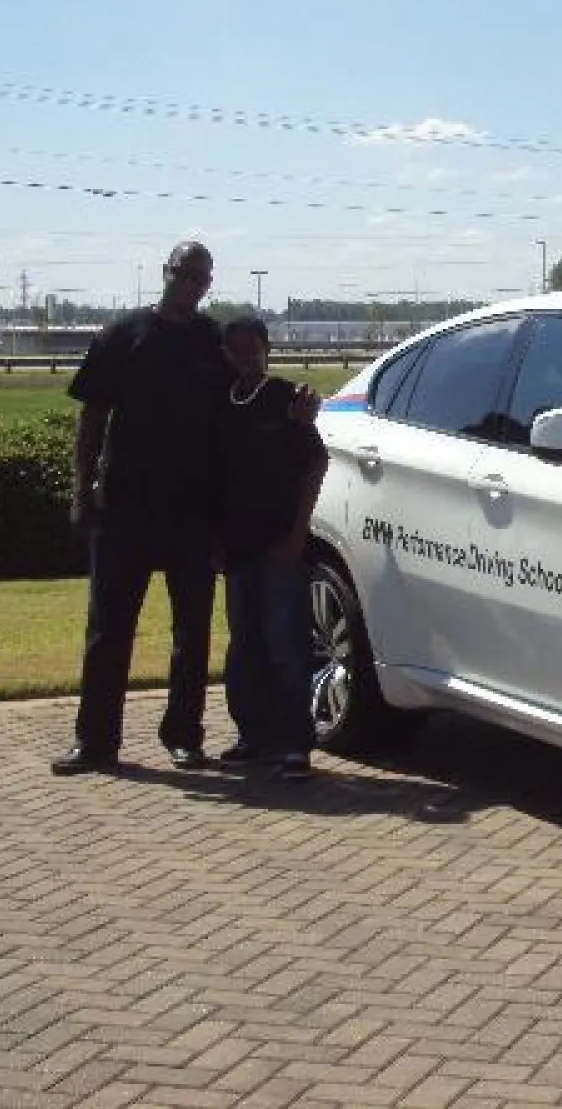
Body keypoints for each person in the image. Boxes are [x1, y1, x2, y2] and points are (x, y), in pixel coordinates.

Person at [52, 241, 316, 776]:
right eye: (185, 275)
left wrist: (297, 412)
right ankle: (96, 741)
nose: (192, 286)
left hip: (194, 512)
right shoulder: (122, 336)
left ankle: (183, 735)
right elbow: (91, 419)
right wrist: (82, 491)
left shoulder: (211, 342)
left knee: (192, 632)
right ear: (166, 273)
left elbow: (249, 394)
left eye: (202, 279)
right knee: (107, 631)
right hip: (124, 508)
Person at [212, 315, 329, 780]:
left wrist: (298, 534)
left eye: (253, 348)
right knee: (245, 647)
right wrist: (215, 540)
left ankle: (294, 743)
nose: (245, 357)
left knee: (287, 646)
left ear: (266, 349)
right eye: (236, 349)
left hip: (280, 545)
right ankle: (252, 735)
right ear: (226, 355)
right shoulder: (222, 405)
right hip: (236, 547)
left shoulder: (286, 399)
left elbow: (314, 466)